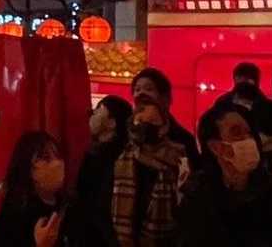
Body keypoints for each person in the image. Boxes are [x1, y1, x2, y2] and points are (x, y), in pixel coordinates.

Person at [177, 105, 272, 247]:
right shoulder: (198, 199)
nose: (248, 139)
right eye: (237, 133)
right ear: (215, 147)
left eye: (249, 133)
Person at [109, 96, 189, 246]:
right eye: (140, 121)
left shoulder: (178, 157)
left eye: (152, 121)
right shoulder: (120, 157)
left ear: (164, 127)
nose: (145, 126)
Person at [0, 131, 75, 247]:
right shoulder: (14, 215)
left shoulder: (69, 206)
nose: (57, 163)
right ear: (28, 169)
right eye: (46, 158)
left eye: (58, 156)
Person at [75, 96, 132, 246]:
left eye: (99, 109)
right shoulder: (94, 152)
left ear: (112, 122)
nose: (92, 113)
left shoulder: (117, 160)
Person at [210, 63, 272, 168]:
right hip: (229, 161)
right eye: (241, 82)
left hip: (263, 163)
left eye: (247, 82)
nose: (244, 87)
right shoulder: (223, 103)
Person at [133, 68, 201, 171]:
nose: (141, 93)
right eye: (137, 90)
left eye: (149, 89)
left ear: (165, 98)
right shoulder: (124, 136)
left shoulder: (183, 139)